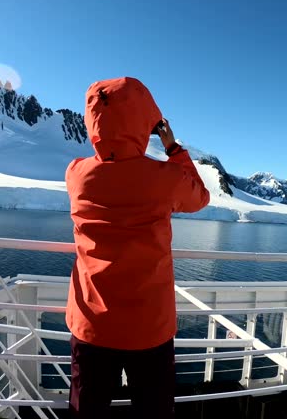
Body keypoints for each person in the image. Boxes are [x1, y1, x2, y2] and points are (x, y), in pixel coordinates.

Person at [65, 77, 210, 418]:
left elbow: (108, 163)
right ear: (144, 121)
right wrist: (173, 148)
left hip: (91, 325)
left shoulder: (76, 174)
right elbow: (200, 197)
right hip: (149, 328)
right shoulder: (165, 178)